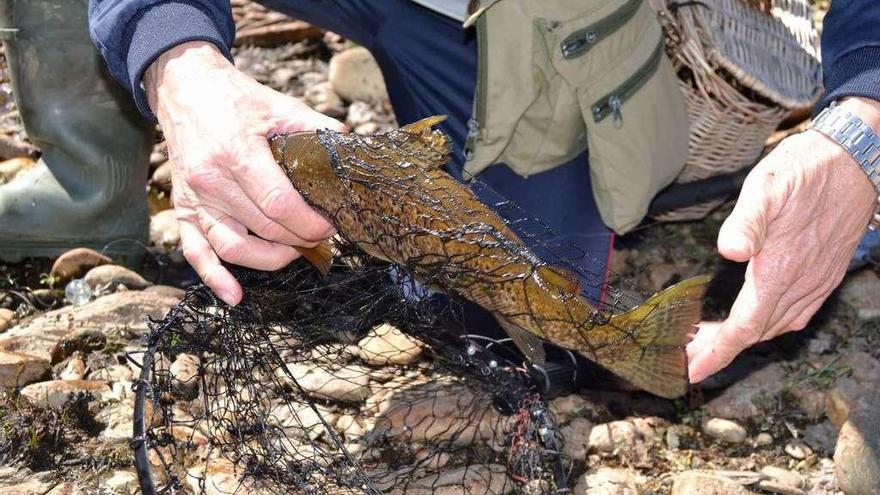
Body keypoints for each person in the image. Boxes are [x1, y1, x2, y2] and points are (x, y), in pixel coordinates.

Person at [0, 0, 876, 384]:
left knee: (513, 328)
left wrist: (865, 118)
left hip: (527, 23)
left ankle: (680, 164)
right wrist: (178, 71)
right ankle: (92, 187)